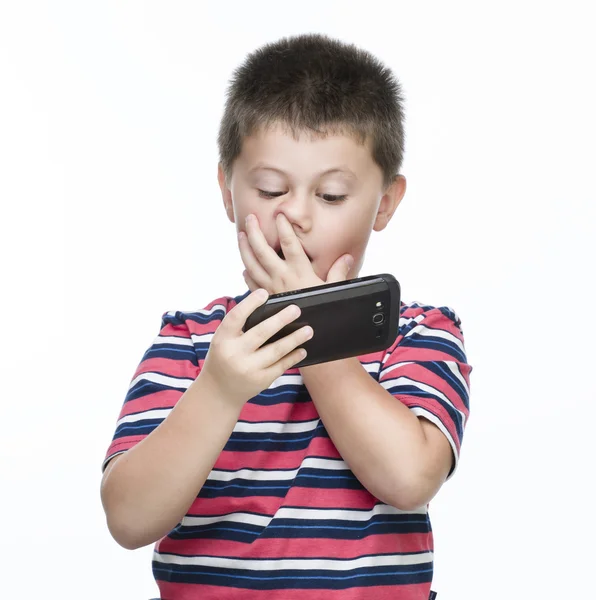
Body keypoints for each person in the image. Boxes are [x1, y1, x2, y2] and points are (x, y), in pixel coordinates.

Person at [100, 33, 472, 600]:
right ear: (228, 190)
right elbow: (128, 519)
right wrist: (220, 389)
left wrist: (316, 336)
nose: (295, 214)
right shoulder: (192, 343)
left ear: (386, 203)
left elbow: (409, 478)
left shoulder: (417, 333)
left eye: (330, 196)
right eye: (271, 188)